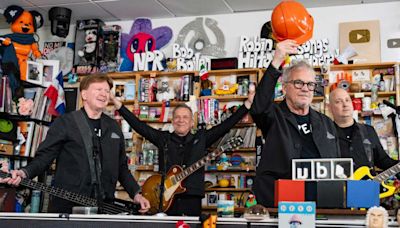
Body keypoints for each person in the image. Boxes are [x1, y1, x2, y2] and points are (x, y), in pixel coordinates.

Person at [0, 74, 150, 214]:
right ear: (84, 94)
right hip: (67, 208)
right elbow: (44, 158)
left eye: (107, 90)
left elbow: (121, 167)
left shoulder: (114, 127)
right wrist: (24, 172)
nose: (104, 94)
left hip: (103, 208)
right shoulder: (66, 123)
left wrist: (136, 194)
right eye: (98, 89)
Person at [111, 87, 255, 216]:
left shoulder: (201, 138)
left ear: (192, 122)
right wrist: (120, 106)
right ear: (172, 121)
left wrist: (247, 104)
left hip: (191, 201)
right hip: (164, 201)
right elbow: (139, 126)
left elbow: (225, 126)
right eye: (177, 117)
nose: (181, 120)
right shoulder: (164, 139)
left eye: (185, 117)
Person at [250, 39, 340, 207]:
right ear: (284, 88)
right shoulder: (273, 116)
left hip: (323, 204)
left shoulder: (326, 123)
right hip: (283, 203)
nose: (305, 88)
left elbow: (337, 166)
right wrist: (276, 60)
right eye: (298, 83)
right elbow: (258, 107)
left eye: (310, 84)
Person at [329, 88, 397, 174]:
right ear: (330, 108)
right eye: (338, 101)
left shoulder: (368, 131)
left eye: (347, 100)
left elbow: (383, 161)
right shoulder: (325, 134)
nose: (345, 104)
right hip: (338, 187)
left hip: (367, 186)